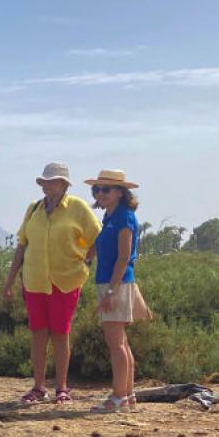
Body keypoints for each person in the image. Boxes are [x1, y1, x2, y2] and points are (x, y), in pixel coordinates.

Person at [2, 162, 102, 405]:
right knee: (38, 334)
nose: (48, 185)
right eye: (45, 181)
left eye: (53, 181)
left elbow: (98, 237)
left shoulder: (77, 208)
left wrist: (84, 260)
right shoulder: (34, 209)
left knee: (60, 333)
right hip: (35, 281)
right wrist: (10, 280)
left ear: (64, 184)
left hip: (66, 280)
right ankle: (38, 387)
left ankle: (62, 388)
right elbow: (22, 246)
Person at [86, 169, 150, 412]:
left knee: (115, 342)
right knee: (120, 341)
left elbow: (124, 257)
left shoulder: (124, 217)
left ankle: (118, 397)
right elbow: (102, 247)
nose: (100, 193)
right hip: (110, 282)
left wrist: (111, 292)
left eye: (106, 189)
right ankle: (128, 395)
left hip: (117, 283)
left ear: (121, 192)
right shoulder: (111, 216)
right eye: (97, 189)